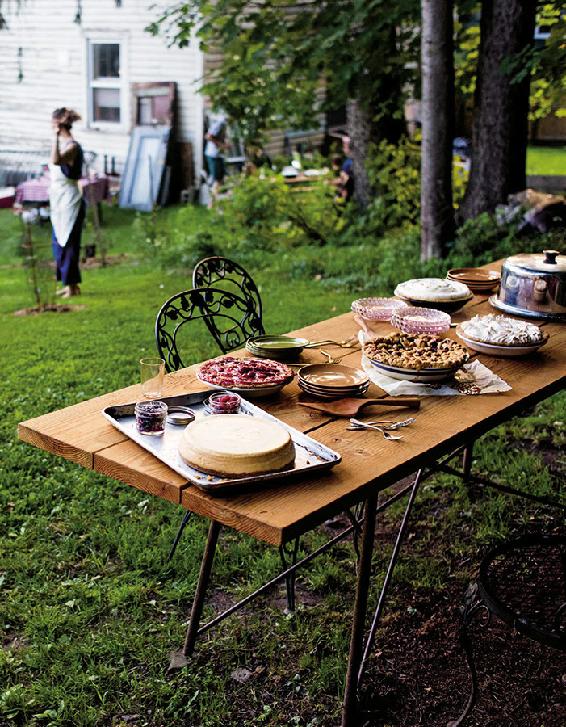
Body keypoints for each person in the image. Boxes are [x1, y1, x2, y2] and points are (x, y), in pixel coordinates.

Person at [49, 107, 85, 297]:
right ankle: (68, 283)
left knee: (69, 242)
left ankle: (72, 286)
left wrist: (55, 138)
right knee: (58, 242)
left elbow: (56, 161)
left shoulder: (72, 147)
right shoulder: (63, 144)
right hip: (58, 199)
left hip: (70, 200)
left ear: (58, 124)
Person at [204, 115, 227, 205]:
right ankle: (212, 203)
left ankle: (216, 202)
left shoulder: (224, 123)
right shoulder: (220, 123)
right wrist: (221, 145)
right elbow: (208, 136)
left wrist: (224, 144)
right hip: (213, 154)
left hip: (218, 155)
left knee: (220, 179)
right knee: (217, 180)